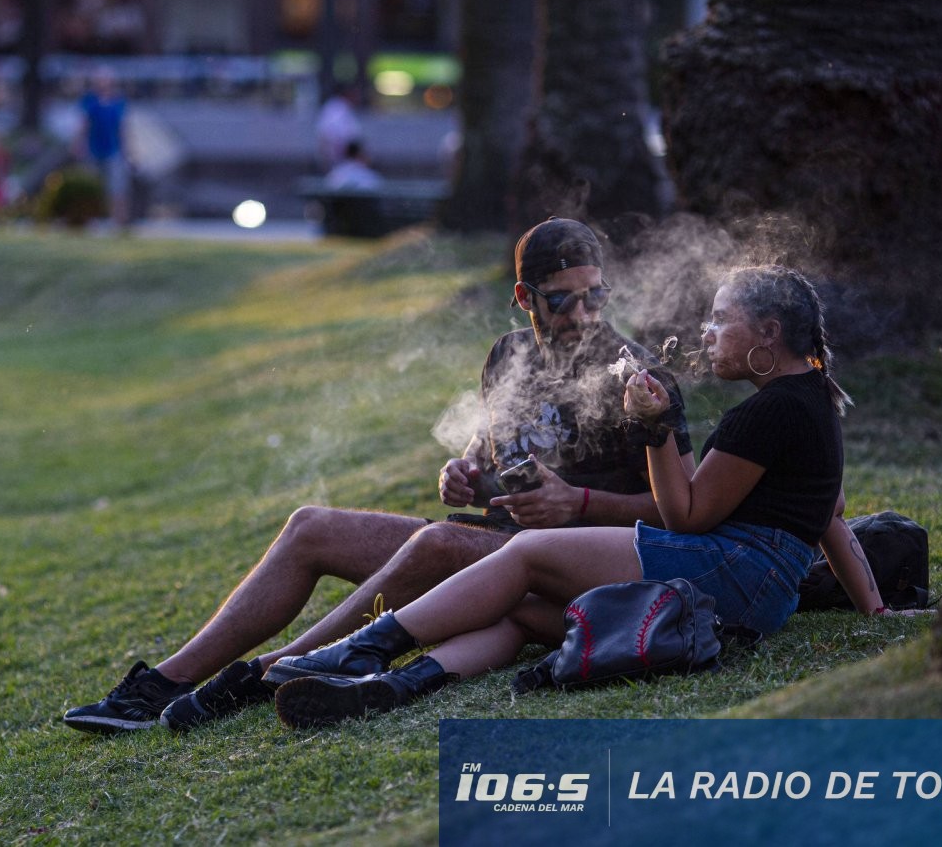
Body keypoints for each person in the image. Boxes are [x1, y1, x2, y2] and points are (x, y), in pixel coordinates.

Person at [62, 218, 696, 734]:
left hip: (566, 568)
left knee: (439, 541)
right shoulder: (508, 355)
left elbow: (683, 515)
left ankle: (277, 669)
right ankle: (163, 682)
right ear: (525, 297)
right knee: (310, 526)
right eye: (562, 299)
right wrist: (465, 473)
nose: (582, 314)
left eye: (595, 295)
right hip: (489, 547)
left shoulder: (636, 377)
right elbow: (490, 452)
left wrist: (577, 504)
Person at [268, 266, 886, 729]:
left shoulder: (768, 411)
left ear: (768, 333)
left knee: (528, 553)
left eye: (720, 320)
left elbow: (686, 516)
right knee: (523, 607)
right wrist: (875, 610)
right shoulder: (813, 398)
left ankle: (357, 652)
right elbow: (829, 515)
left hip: (730, 571)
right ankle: (397, 686)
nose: (707, 331)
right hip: (759, 593)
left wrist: (653, 428)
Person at [76, 68, 130, 226]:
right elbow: (84, 125)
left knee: (117, 188)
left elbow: (122, 128)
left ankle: (119, 222)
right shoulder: (89, 101)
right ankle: (89, 219)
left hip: (114, 150)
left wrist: (128, 150)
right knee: (90, 187)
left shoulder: (118, 102)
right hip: (93, 150)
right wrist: (78, 144)